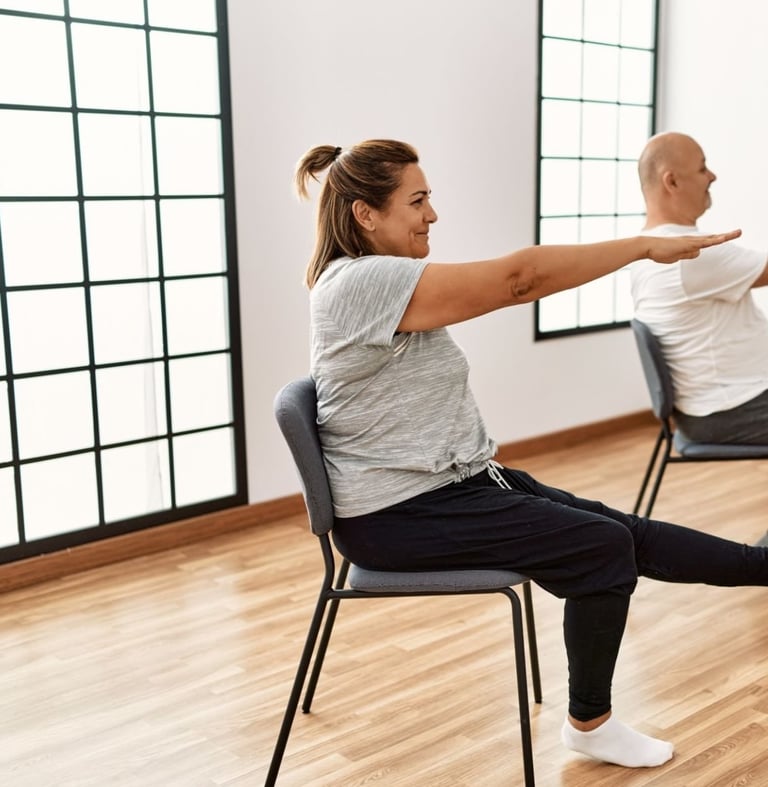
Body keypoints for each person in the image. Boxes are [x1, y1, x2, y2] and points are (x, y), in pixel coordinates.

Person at [294, 138, 764, 770]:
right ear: (365, 215)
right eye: (418, 200)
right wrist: (643, 245)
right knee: (603, 550)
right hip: (398, 515)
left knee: (624, 532)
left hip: (456, 486)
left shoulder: (384, 279)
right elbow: (520, 279)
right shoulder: (362, 282)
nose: (432, 214)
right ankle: (590, 723)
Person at [632, 130, 768, 445]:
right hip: (731, 409)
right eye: (702, 167)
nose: (712, 176)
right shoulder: (689, 253)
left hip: (716, 405)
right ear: (672, 181)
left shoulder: (649, 248)